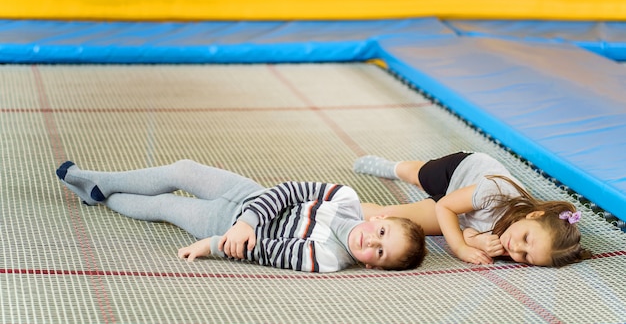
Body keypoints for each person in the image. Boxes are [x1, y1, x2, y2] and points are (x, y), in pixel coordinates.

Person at [56, 159, 426, 273]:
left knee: (164, 206)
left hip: (222, 226)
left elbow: (270, 250)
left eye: (379, 252)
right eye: (381, 231)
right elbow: (289, 189)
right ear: (382, 218)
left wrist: (216, 243)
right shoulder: (345, 198)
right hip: (248, 195)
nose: (371, 240)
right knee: (183, 170)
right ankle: (103, 181)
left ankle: (101, 198)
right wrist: (250, 217)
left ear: (372, 267)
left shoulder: (328, 258)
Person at [353, 151, 591, 267]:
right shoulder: (497, 191)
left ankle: (337, 212)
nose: (516, 249)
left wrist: (475, 242)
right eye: (526, 238)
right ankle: (392, 166)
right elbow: (446, 206)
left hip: (463, 214)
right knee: (419, 175)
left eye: (526, 257)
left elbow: (469, 231)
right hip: (458, 173)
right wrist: (460, 248)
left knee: (393, 218)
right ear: (534, 215)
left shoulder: (508, 246)